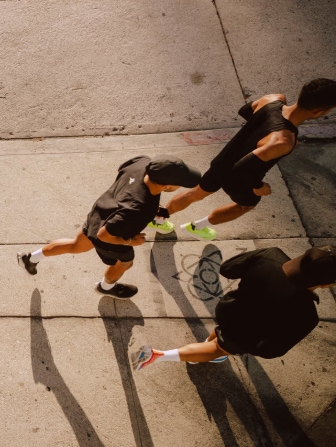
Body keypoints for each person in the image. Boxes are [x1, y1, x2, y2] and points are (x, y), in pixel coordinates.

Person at [149, 78, 336, 241]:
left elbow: (247, 111)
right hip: (239, 180)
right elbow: (243, 169)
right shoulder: (283, 141)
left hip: (223, 160)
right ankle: (195, 228)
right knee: (244, 206)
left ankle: (159, 217)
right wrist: (260, 187)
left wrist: (257, 134)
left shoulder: (273, 99)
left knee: (196, 193)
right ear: (319, 111)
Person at [17, 155, 201, 299]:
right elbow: (105, 236)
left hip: (100, 213)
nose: (181, 186)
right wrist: (131, 241)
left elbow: (121, 170)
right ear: (165, 185)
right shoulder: (138, 209)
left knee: (75, 245)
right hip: (111, 237)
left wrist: (147, 204)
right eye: (180, 183)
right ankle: (106, 287)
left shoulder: (143, 162)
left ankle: (30, 258)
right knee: (125, 263)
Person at [132, 245, 336, 370]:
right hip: (245, 335)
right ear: (327, 284)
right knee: (215, 350)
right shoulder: (306, 314)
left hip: (229, 308)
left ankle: (206, 346)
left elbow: (228, 269)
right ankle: (158, 355)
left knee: (219, 335)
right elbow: (273, 349)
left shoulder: (272, 255)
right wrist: (253, 347)